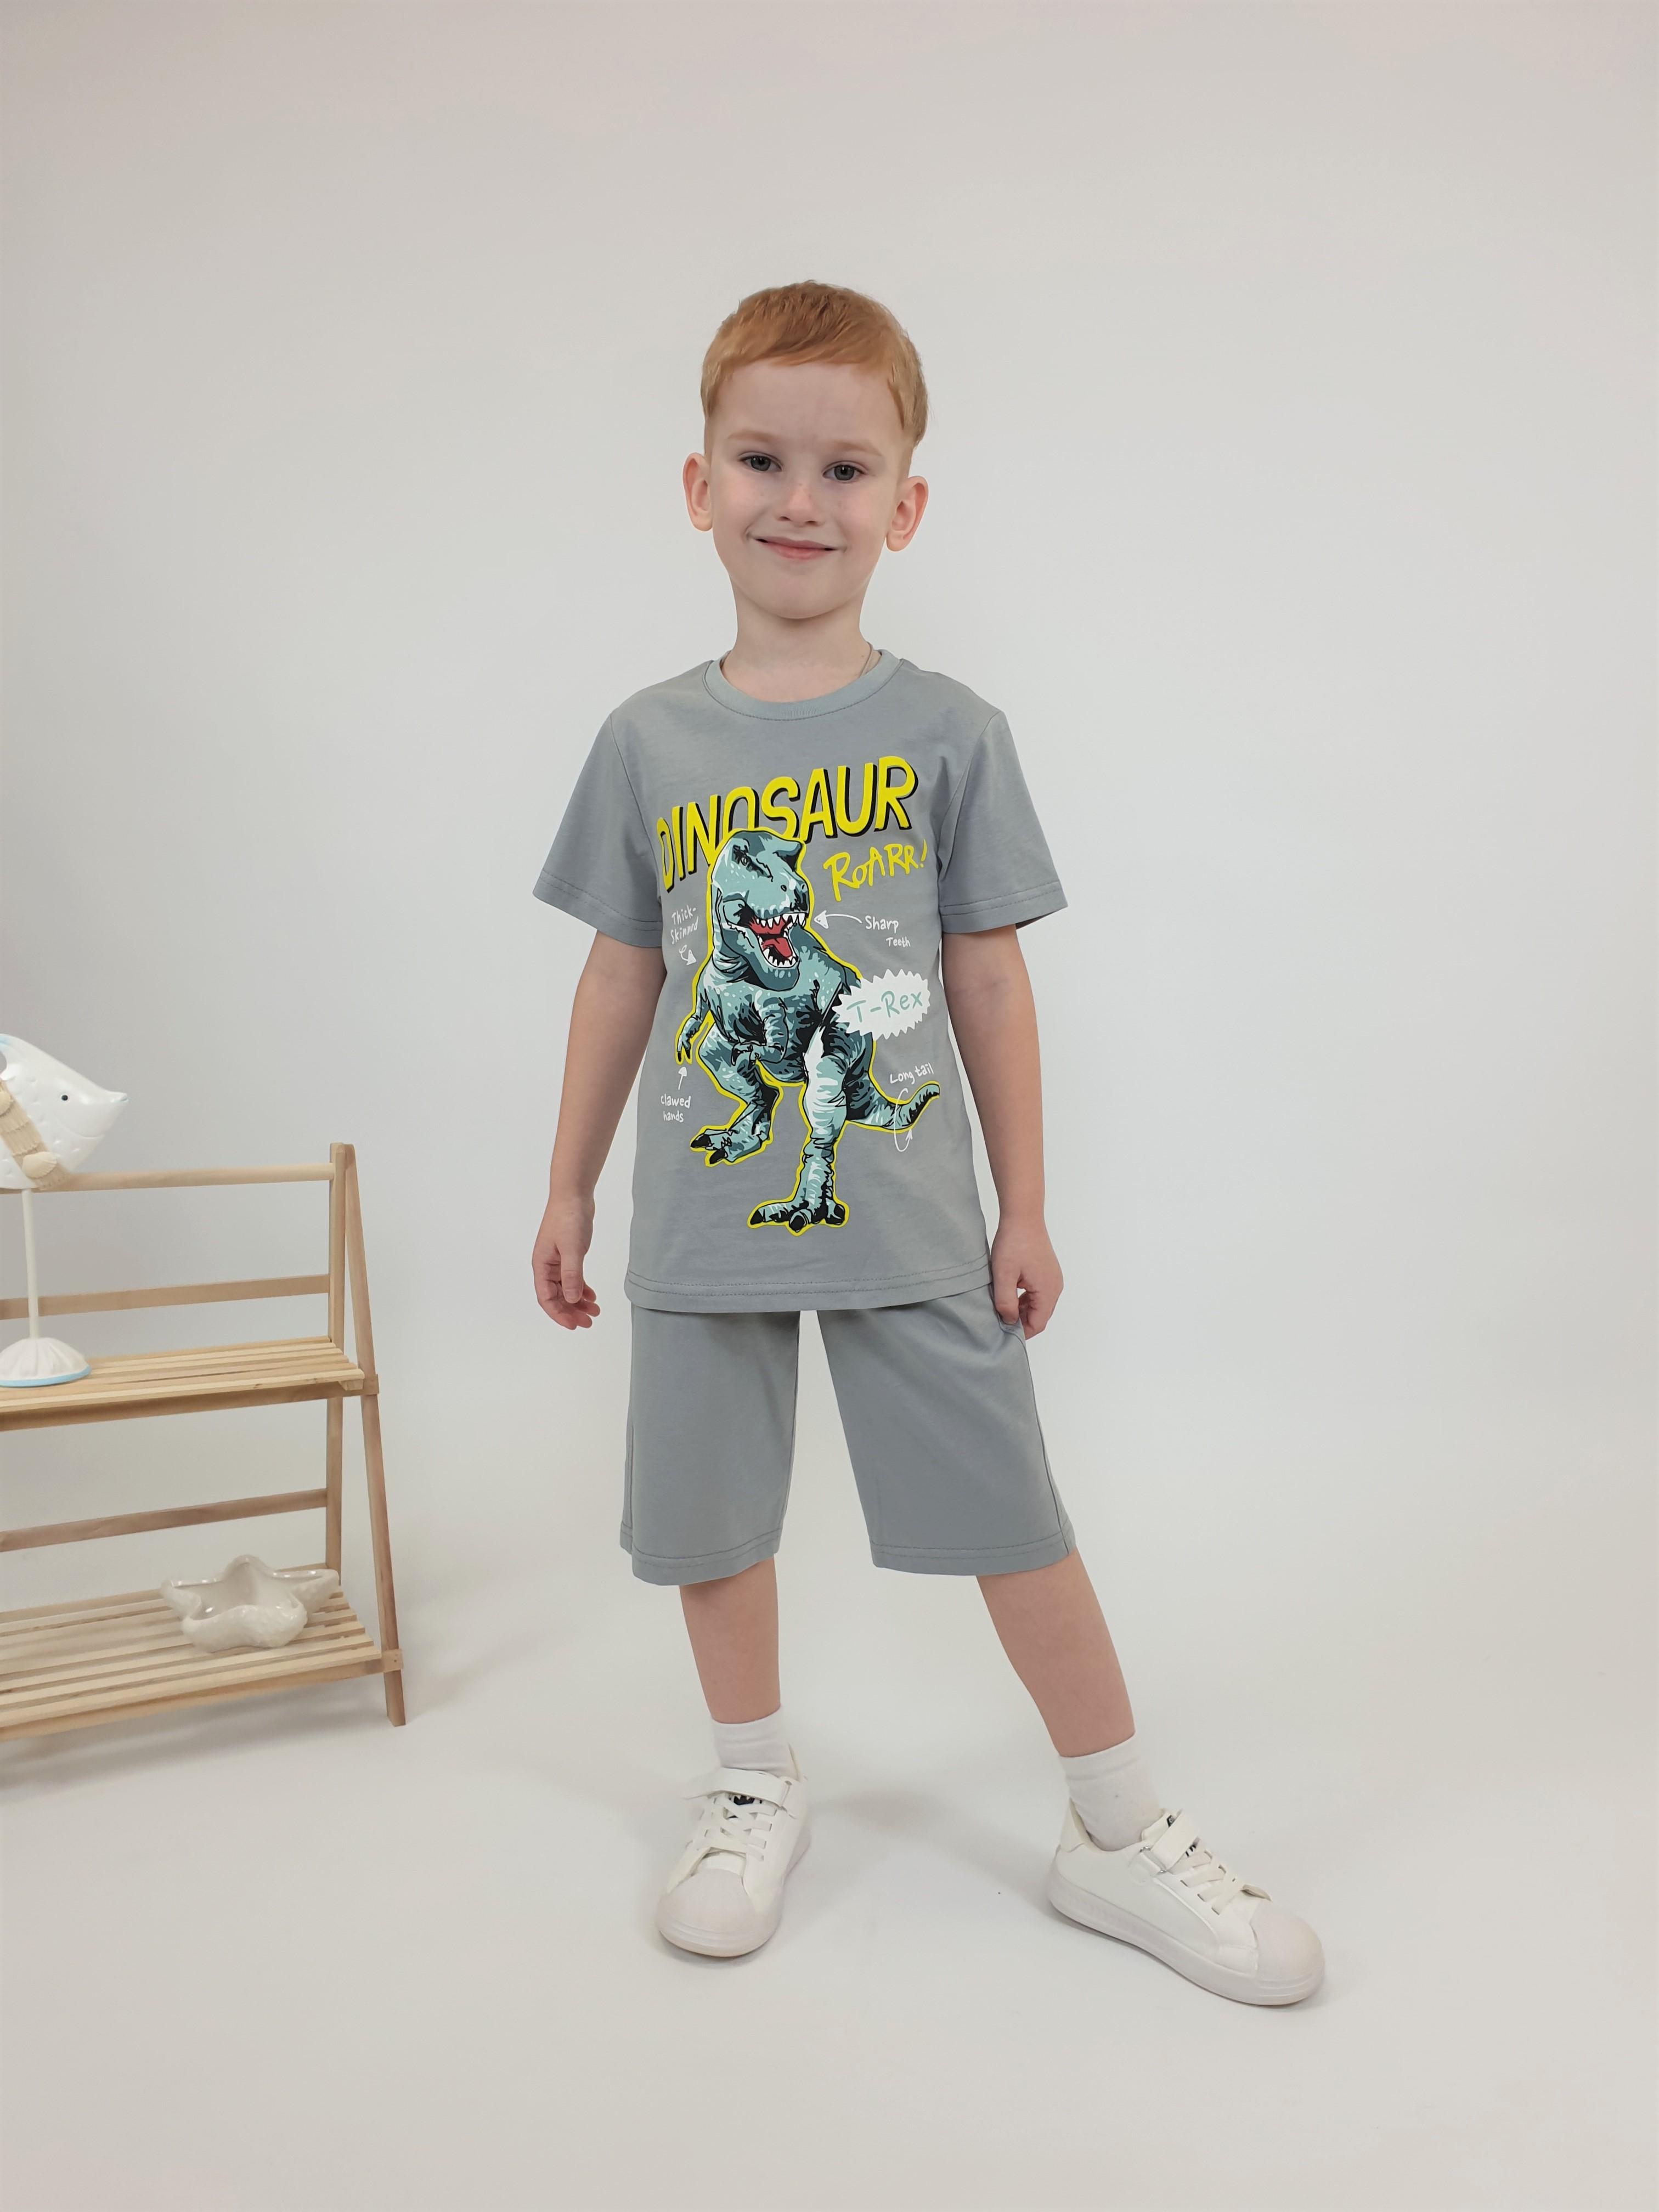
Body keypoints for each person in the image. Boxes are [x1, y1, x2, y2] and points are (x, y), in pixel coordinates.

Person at [531, 280, 1322, 2005]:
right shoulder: (648, 741)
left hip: (910, 1221)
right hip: (701, 1224)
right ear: (699, 485)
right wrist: (568, 1184)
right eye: (763, 459)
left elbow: (987, 977)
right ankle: (753, 1780)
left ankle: (1116, 1825)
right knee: (711, 1524)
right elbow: (619, 973)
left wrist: (1025, 1207)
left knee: (1011, 1515)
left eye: (844, 468)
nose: (799, 500)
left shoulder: (952, 732)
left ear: (905, 505)